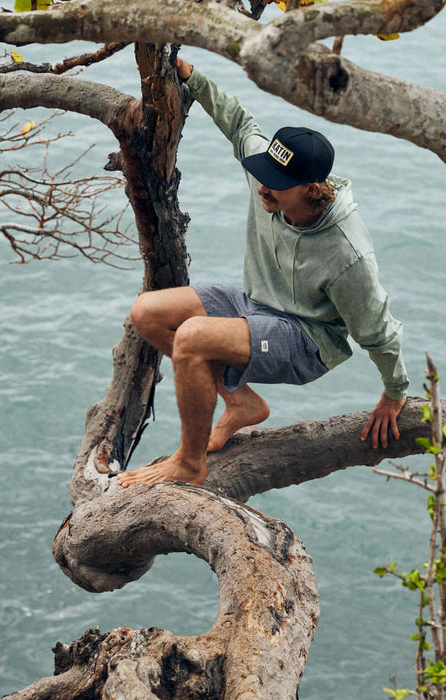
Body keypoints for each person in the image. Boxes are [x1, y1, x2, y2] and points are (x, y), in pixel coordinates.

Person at [117, 58, 409, 488]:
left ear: (312, 189)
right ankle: (240, 403)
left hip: (306, 339)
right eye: (263, 174)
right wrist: (190, 75)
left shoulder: (348, 254)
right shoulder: (272, 181)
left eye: (274, 182)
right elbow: (238, 122)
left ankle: (190, 463)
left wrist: (395, 392)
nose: (261, 186)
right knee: (148, 312)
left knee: (193, 338)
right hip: (255, 305)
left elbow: (377, 331)